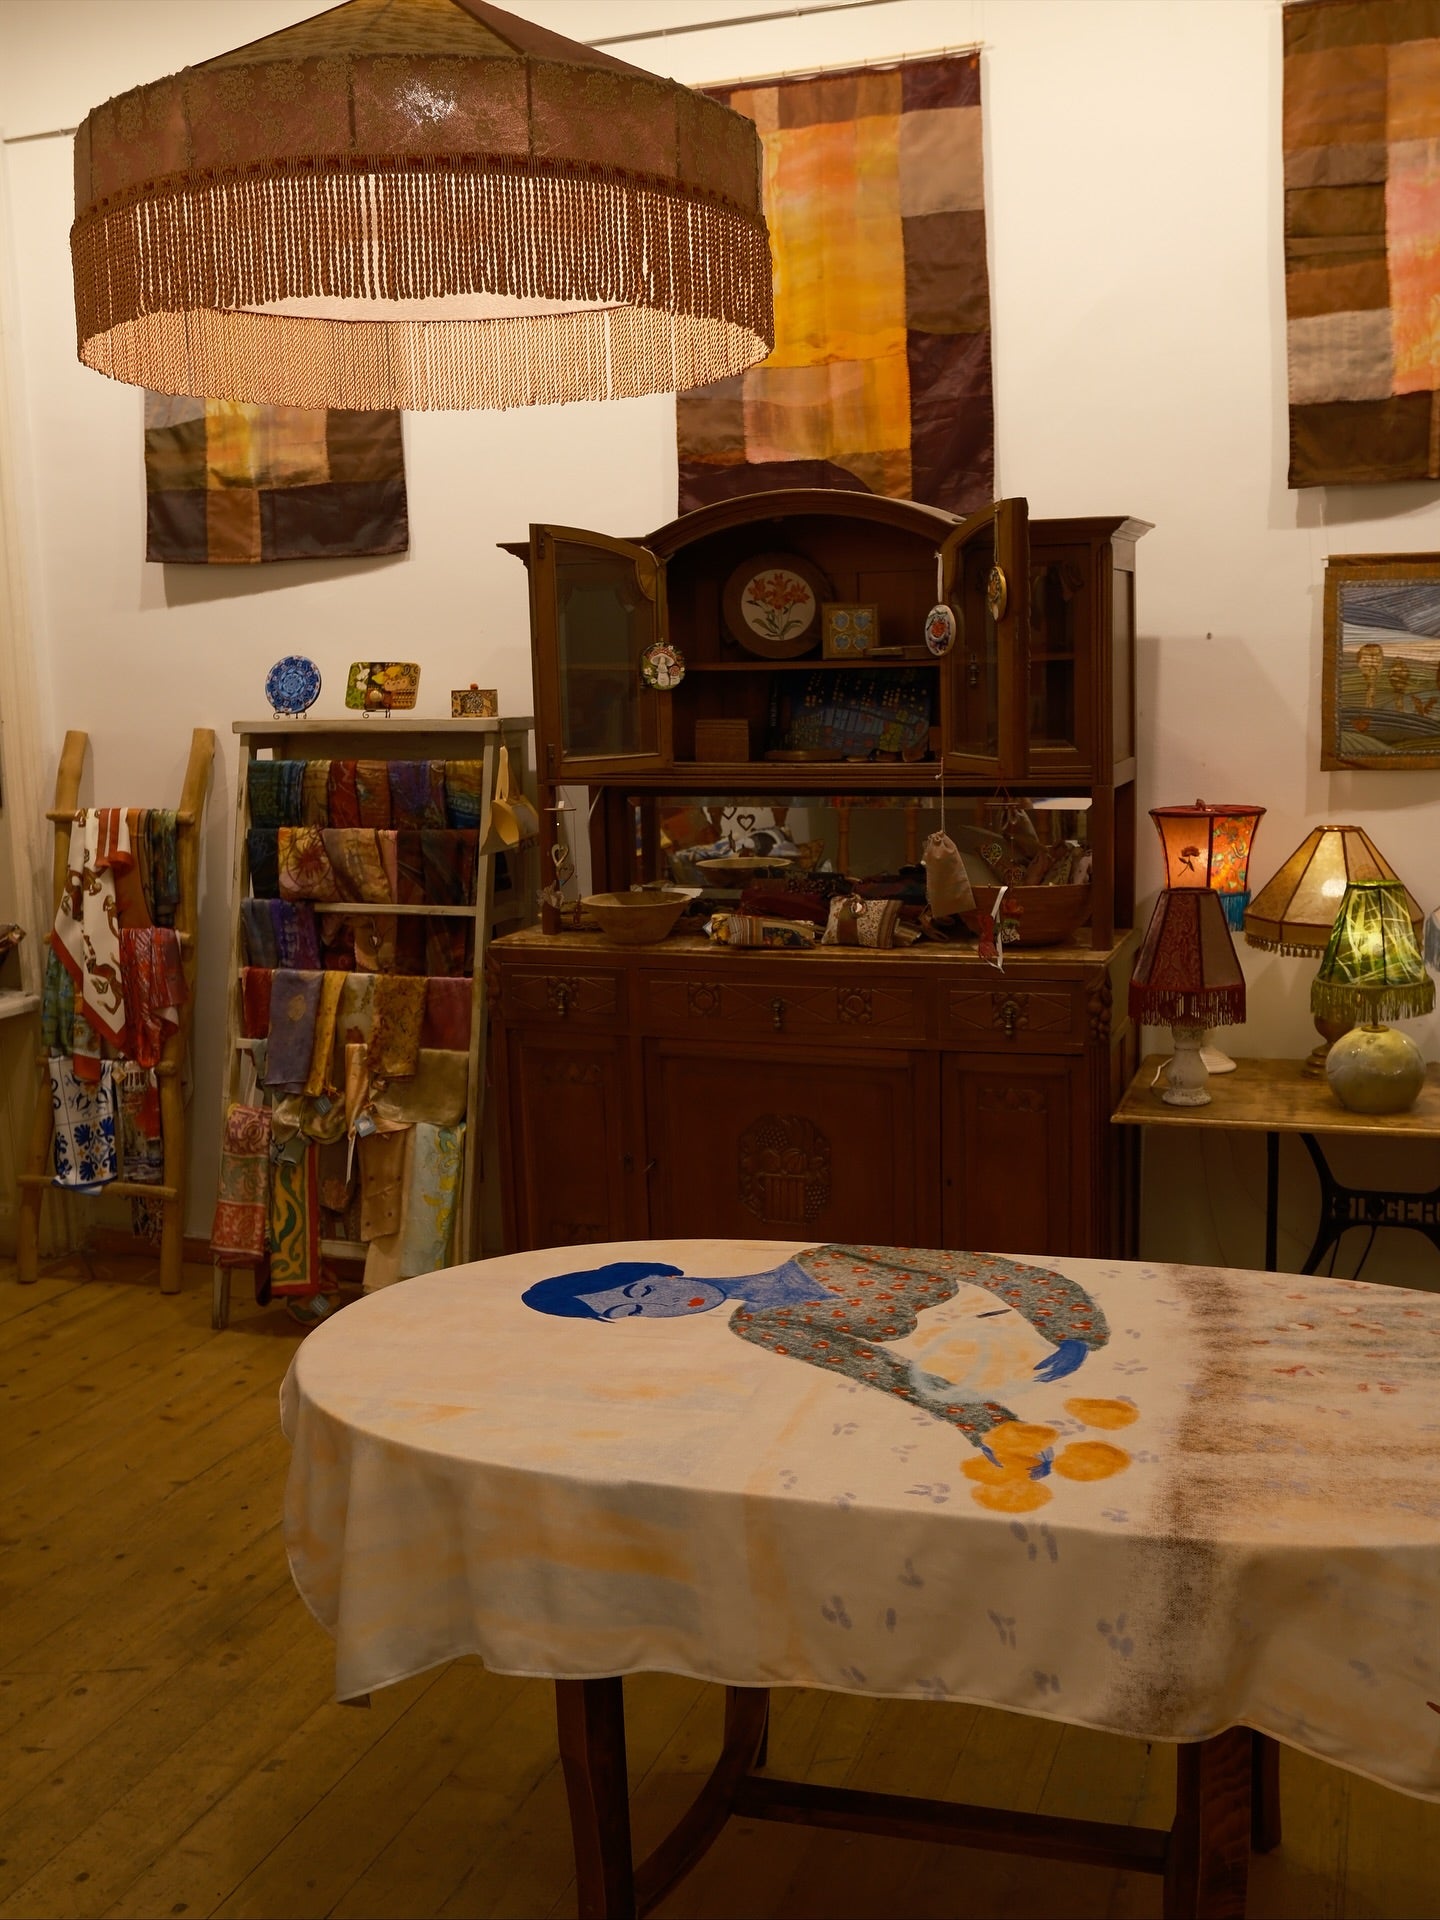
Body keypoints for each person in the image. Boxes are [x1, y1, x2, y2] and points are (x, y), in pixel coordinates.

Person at [522, 1242, 1108, 1452]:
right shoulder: (756, 1326)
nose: (659, 1307)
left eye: (644, 1289)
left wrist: (1069, 1326)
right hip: (976, 1372)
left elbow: (970, 1265)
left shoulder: (827, 1257)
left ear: (663, 1272)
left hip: (1036, 1330)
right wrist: (991, 1426)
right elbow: (877, 1370)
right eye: (633, 1311)